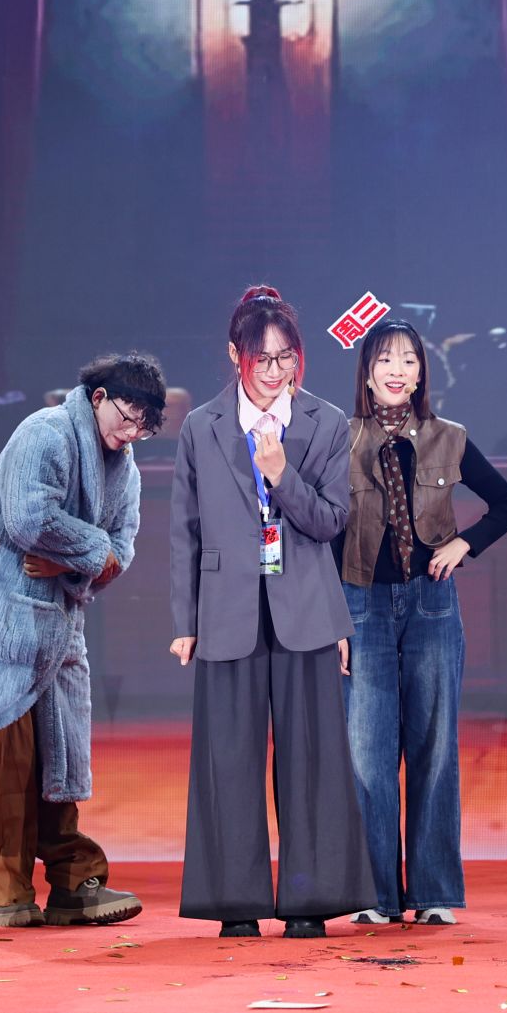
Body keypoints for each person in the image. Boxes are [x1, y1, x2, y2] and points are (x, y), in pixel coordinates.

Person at [170, 285, 375, 938]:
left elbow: (331, 520)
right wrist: (185, 621)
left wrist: (282, 474)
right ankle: (235, 903)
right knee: (227, 757)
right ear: (236, 355)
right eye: (263, 358)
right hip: (225, 608)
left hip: (306, 607)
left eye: (287, 356)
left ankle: (310, 902)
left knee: (312, 758)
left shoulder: (325, 422)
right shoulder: (202, 425)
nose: (276, 370)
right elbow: (185, 529)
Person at [0, 352, 164, 927]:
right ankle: (9, 893)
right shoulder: (45, 432)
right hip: (4, 620)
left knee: (60, 759)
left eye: (144, 426)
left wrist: (71, 562)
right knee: (8, 759)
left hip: (61, 622)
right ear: (98, 397)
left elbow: (122, 551)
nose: (131, 433)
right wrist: (93, 552)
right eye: (127, 417)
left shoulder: (127, 469)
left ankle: (72, 884)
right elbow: (27, 519)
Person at [336, 318, 507, 926]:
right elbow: (319, 532)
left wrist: (464, 544)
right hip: (360, 606)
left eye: (409, 361)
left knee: (434, 748)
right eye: (386, 360)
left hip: (432, 605)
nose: (398, 371)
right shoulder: (338, 438)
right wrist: (331, 619)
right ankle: (375, 895)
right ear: (367, 372)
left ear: (422, 373)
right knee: (368, 754)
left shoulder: (449, 437)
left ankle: (435, 891)